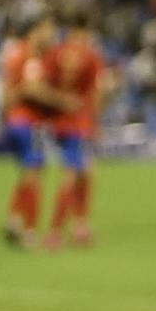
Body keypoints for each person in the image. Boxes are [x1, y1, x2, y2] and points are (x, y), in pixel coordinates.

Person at [0, 15, 64, 247]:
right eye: (49, 30)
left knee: (27, 172)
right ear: (36, 31)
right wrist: (62, 102)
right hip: (28, 123)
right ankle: (30, 231)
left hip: (14, 122)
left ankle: (14, 220)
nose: (53, 36)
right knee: (36, 172)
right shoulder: (30, 56)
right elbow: (32, 89)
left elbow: (7, 95)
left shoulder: (15, 53)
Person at [42, 15, 107, 249]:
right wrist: (94, 122)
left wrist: (57, 104)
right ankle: (57, 231)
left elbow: (44, 85)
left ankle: (79, 226)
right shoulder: (90, 55)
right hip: (80, 122)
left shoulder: (55, 53)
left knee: (85, 171)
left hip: (59, 123)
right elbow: (99, 90)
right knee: (74, 174)